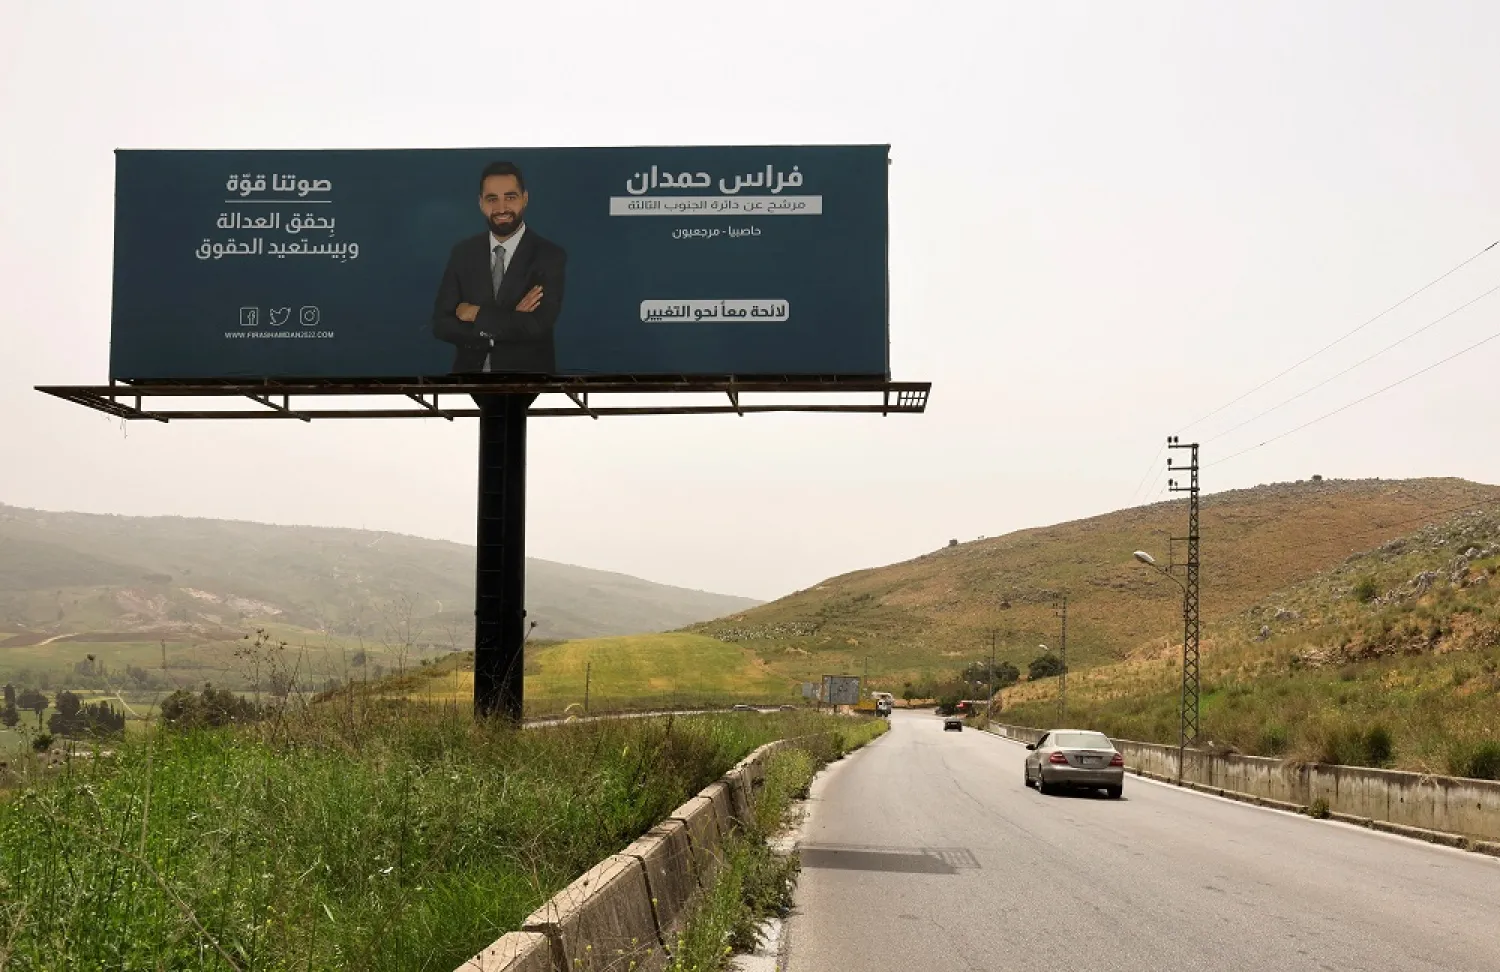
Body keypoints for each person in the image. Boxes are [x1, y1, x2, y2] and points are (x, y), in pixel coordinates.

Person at [432, 161, 567, 374]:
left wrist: (475, 313)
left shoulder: (549, 255)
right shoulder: (463, 252)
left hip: (527, 379)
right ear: (481, 203)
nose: (501, 208)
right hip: (468, 378)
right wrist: (507, 322)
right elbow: (442, 324)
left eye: (510, 197)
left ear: (525, 199)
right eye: (492, 199)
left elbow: (535, 325)